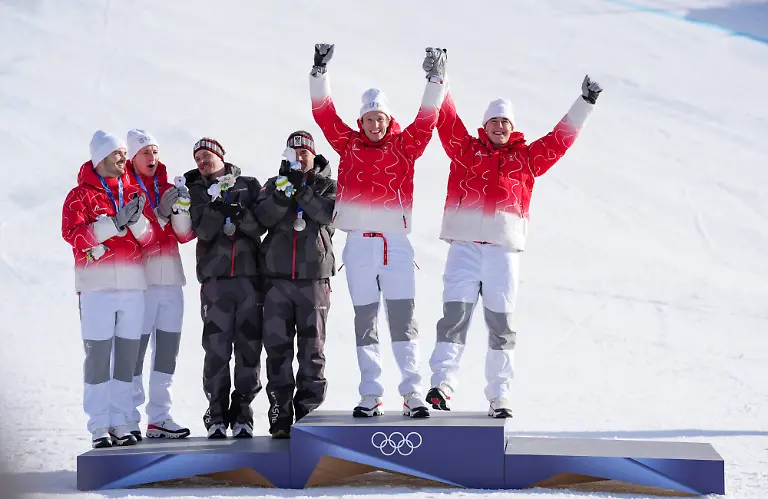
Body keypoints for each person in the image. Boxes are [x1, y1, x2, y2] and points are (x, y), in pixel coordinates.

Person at [423, 54, 604, 417]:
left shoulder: (526, 158)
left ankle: (499, 395)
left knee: (501, 323)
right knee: (454, 317)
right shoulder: (465, 149)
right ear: (485, 125)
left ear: (512, 127)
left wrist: (584, 103)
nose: (499, 127)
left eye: (505, 122)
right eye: (494, 121)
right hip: (465, 247)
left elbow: (558, 140)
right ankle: (442, 384)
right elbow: (446, 119)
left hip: (503, 252)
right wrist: (438, 79)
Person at [309, 44, 447, 418]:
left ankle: (412, 392)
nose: (374, 125)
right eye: (368, 119)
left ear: (388, 120)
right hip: (358, 247)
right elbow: (323, 115)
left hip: (396, 246)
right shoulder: (348, 145)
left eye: (380, 118)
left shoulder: (406, 147)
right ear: (361, 121)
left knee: (403, 319)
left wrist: (435, 80)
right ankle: (370, 392)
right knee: (365, 320)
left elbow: (427, 120)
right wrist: (319, 73)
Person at [62, 130, 154, 448]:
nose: (124, 158)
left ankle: (119, 421)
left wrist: (138, 220)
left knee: (126, 359)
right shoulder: (79, 196)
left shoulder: (131, 192)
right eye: (117, 153)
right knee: (99, 357)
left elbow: (149, 240)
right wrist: (114, 224)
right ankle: (99, 425)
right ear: (101, 158)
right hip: (96, 288)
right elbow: (74, 236)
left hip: (133, 288)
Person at [254, 131, 337, 438]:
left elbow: (328, 214)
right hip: (276, 281)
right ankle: (280, 412)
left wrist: (303, 192)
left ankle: (308, 413)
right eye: (294, 152)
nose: (300, 157)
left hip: (314, 279)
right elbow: (261, 219)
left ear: (314, 154)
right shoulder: (275, 184)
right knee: (277, 350)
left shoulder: (328, 185)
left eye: (304, 152)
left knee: (312, 349)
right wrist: (283, 193)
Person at [185, 137, 265, 438]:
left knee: (248, 350)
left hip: (248, 281)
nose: (203, 162)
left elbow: (260, 227)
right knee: (216, 351)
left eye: (207, 156)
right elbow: (202, 231)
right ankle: (216, 414)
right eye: (198, 158)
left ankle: (243, 412)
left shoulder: (248, 185)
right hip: (215, 282)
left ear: (221, 156)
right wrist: (217, 206)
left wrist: (240, 215)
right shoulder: (195, 190)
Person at [125, 129, 195, 440]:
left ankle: (160, 417)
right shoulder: (127, 191)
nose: (152, 158)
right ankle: (128, 416)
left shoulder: (169, 187)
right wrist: (161, 215)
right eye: (145, 153)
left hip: (171, 282)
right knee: (136, 353)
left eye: (155, 151)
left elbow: (185, 235)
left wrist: (180, 210)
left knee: (167, 352)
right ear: (132, 158)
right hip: (141, 283)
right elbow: (140, 237)